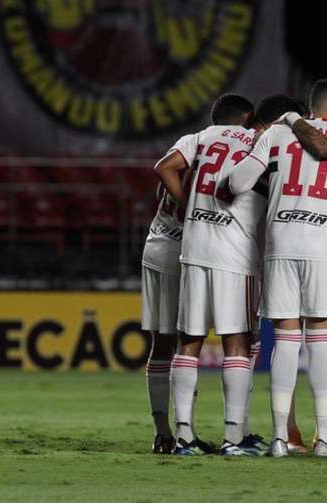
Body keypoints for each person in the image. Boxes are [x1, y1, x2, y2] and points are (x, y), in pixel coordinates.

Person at [229, 79, 327, 457]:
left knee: (287, 342)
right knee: (322, 345)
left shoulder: (276, 134)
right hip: (323, 250)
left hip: (280, 247)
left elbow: (237, 181)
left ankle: (280, 437)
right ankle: (324, 437)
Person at [155, 94, 261, 456]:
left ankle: (184, 437)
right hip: (235, 252)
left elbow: (165, 167)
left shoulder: (198, 138)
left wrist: (188, 205)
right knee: (237, 343)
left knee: (190, 342)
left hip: (195, 249)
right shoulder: (255, 140)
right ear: (246, 120)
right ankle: (234, 438)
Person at [142, 142, 191, 454]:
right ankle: (188, 433)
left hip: (154, 243)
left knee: (161, 343)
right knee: (190, 343)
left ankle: (163, 432)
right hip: (182, 253)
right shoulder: (223, 154)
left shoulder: (184, 152)